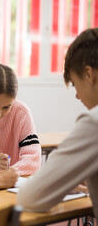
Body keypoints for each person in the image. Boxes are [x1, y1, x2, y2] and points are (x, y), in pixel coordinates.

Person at [17, 28, 98, 220]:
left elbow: (29, 197)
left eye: (75, 85)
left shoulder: (93, 123)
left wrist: (64, 180)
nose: (77, 96)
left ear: (89, 74)